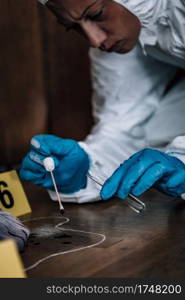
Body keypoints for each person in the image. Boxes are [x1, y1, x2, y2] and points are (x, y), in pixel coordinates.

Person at [20, 0, 185, 204]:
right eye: (74, 27)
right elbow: (122, 128)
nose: (95, 40)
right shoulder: (118, 35)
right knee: (155, 138)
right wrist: (87, 168)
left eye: (97, 14)